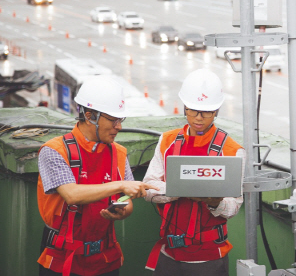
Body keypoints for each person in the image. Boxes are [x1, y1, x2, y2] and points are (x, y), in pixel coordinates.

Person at [37, 75, 157, 276]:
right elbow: (71, 194)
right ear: (90, 116)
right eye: (113, 120)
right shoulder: (54, 151)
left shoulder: (118, 153)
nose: (118, 126)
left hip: (105, 260)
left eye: (121, 119)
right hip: (62, 260)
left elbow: (125, 201)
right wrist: (120, 186)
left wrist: (123, 209)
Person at [143, 69, 244, 275]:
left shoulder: (232, 151)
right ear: (184, 108)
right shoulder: (167, 141)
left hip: (209, 257)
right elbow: (147, 189)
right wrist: (180, 188)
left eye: (206, 111)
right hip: (169, 252)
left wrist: (214, 202)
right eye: (193, 110)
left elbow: (233, 207)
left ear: (216, 110)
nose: (199, 118)